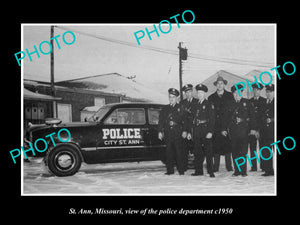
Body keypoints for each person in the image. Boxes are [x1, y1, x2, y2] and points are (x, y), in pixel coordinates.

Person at [158, 88, 188, 175]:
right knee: (169, 152)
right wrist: (160, 131)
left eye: (173, 97)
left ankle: (181, 170)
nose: (171, 99)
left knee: (179, 152)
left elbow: (185, 121)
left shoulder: (181, 108)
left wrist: (185, 131)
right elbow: (161, 121)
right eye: (170, 97)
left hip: (178, 132)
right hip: (168, 133)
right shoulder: (165, 108)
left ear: (177, 98)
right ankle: (170, 170)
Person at [227, 84, 255, 177]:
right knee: (234, 152)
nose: (236, 95)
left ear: (242, 92)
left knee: (243, 152)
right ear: (233, 94)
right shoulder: (229, 103)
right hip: (233, 132)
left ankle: (243, 171)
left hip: (244, 131)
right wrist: (224, 129)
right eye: (234, 93)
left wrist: (253, 128)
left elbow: (252, 117)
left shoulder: (247, 103)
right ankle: (237, 170)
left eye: (238, 93)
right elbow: (225, 118)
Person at [208, 76, 234, 172]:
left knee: (227, 147)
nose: (220, 85)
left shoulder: (230, 96)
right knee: (216, 147)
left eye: (221, 83)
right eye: (218, 83)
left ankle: (229, 166)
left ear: (224, 84)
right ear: (216, 85)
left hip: (226, 126)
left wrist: (227, 126)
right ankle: (216, 167)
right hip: (215, 127)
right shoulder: (211, 97)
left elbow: (231, 113)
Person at [188, 84, 215, 177]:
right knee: (197, 152)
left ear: (205, 94)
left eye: (201, 93)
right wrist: (189, 132)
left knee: (208, 152)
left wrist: (211, 132)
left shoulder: (209, 104)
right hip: (197, 130)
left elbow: (212, 119)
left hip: (206, 130)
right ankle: (198, 171)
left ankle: (211, 171)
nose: (199, 94)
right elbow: (192, 119)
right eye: (198, 92)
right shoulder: (195, 105)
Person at [248, 83, 266, 171]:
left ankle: (264, 166)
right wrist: (252, 129)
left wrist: (258, 130)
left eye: (257, 90)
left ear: (260, 91)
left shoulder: (264, 101)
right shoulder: (249, 101)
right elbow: (249, 117)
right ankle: (253, 167)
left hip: (261, 129)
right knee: (252, 148)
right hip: (252, 130)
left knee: (263, 147)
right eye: (254, 90)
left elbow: (264, 117)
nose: (255, 91)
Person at [180, 84, 198, 171]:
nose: (188, 94)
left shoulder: (197, 102)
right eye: (186, 92)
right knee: (184, 149)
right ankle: (184, 167)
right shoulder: (182, 103)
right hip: (185, 129)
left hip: (195, 129)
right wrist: (185, 131)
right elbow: (181, 118)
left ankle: (197, 167)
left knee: (196, 148)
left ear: (192, 92)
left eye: (189, 92)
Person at [260, 84, 275, 176]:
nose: (268, 94)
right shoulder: (264, 102)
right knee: (266, 151)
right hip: (265, 132)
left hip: (274, 131)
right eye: (267, 92)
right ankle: (268, 170)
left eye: (270, 92)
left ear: (274, 92)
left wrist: (272, 119)